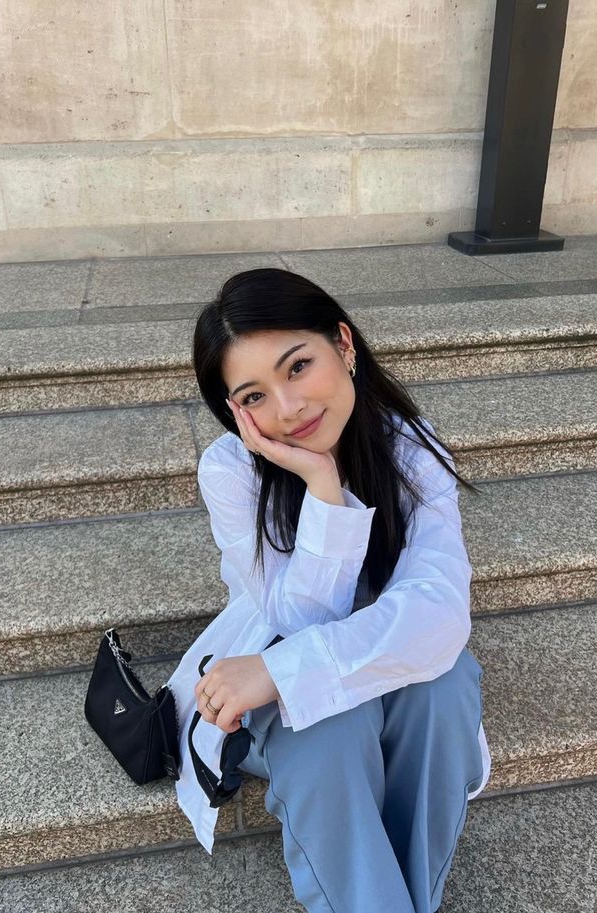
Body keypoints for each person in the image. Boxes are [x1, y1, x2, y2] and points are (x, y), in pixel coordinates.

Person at [165, 267, 491, 913]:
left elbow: (439, 606)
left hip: (327, 665)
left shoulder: (410, 446)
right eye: (253, 395)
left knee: (444, 683)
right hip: (259, 676)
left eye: (297, 367)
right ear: (232, 409)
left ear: (343, 344)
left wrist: (282, 671)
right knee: (329, 728)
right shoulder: (231, 468)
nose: (288, 409)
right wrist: (321, 484)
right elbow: (299, 617)